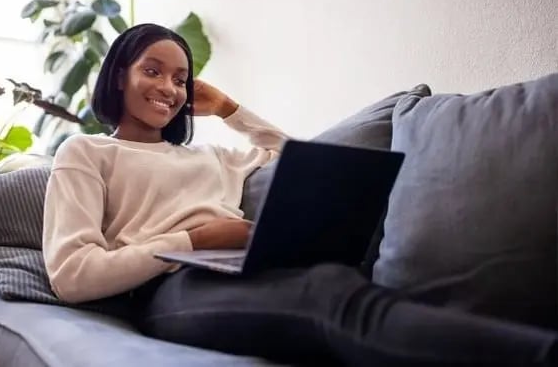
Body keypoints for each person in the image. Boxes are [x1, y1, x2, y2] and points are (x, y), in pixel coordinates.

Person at [42, 23, 557, 366]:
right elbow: (71, 274)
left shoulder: (215, 158)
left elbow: (302, 158)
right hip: (173, 287)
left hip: (249, 266)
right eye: (152, 70)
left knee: (335, 279)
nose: (170, 88)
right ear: (117, 76)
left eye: (181, 78)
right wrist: (194, 240)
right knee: (326, 297)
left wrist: (229, 109)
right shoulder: (86, 152)